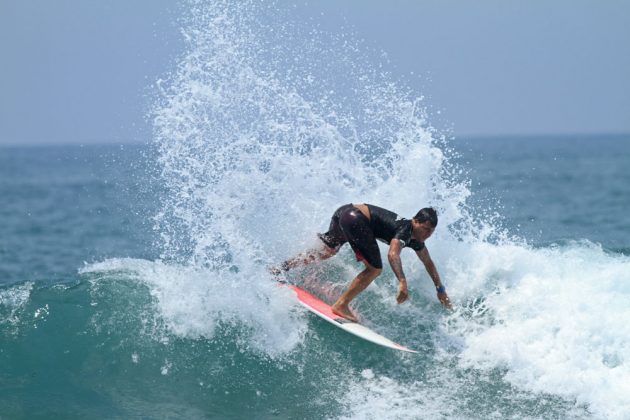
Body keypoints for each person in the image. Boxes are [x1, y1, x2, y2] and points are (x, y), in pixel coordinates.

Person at [273, 203, 452, 322]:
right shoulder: (405, 230)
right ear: (415, 221)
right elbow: (393, 254)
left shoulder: (417, 240)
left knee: (327, 252)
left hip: (345, 212)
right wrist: (403, 282)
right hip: (355, 218)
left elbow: (428, 262)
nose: (427, 234)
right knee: (374, 269)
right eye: (425, 229)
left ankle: (280, 269)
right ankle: (341, 305)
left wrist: (440, 289)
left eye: (431, 232)